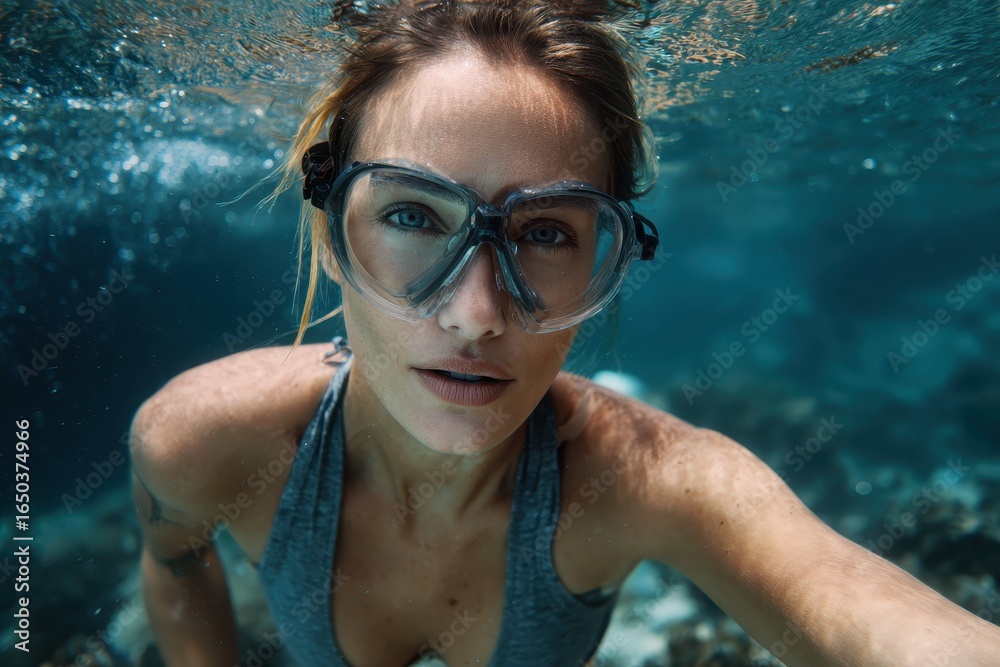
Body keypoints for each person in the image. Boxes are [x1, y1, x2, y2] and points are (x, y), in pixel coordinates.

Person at [128, 1, 1000, 666]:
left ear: (603, 263)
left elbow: (860, 612)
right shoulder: (201, 440)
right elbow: (174, 567)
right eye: (409, 214)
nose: (476, 312)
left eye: (546, 233)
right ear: (331, 232)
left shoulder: (654, 481)